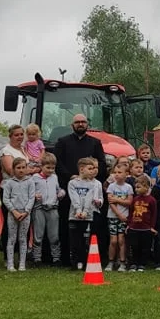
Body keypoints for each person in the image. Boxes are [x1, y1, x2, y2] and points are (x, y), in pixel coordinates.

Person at [54, 114, 108, 267]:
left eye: (83, 122)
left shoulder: (95, 143)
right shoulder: (63, 142)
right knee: (68, 228)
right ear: (72, 125)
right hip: (69, 188)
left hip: (91, 190)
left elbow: (102, 164)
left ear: (87, 124)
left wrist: (91, 177)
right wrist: (70, 176)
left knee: (92, 230)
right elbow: (57, 163)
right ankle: (67, 258)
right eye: (77, 122)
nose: (80, 124)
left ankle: (92, 257)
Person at [67, 157, 103, 269]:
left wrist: (85, 212)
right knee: (75, 240)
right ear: (82, 169)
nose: (93, 171)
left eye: (94, 168)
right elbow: (74, 198)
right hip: (74, 216)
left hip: (88, 216)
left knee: (85, 240)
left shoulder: (93, 184)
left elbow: (89, 198)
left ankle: (85, 262)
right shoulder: (72, 183)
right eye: (90, 168)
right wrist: (78, 211)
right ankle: (75, 262)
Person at [2, 157, 35, 272]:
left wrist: (26, 211)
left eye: (23, 167)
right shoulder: (9, 183)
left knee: (22, 239)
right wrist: (14, 211)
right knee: (12, 239)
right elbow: (6, 199)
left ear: (26, 168)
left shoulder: (30, 182)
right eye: (18, 168)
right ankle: (10, 264)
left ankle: (22, 264)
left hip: (25, 214)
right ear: (14, 169)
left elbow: (32, 197)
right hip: (13, 214)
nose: (21, 170)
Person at [31, 152, 64, 265]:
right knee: (38, 235)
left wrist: (61, 193)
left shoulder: (54, 177)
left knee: (54, 235)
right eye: (48, 167)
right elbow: (30, 191)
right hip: (39, 208)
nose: (50, 170)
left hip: (53, 208)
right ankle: (37, 258)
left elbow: (58, 189)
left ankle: (56, 258)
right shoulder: (35, 178)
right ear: (41, 166)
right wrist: (35, 195)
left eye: (52, 168)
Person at [105, 165, 134, 271]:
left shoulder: (128, 187)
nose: (117, 174)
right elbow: (111, 203)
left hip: (124, 218)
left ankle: (122, 262)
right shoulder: (111, 186)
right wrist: (119, 215)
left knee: (121, 240)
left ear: (126, 174)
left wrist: (117, 200)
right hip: (113, 217)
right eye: (115, 172)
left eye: (119, 172)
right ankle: (111, 261)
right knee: (113, 241)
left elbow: (129, 202)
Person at [126, 175, 157, 272]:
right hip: (134, 227)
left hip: (146, 228)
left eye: (138, 187)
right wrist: (129, 225)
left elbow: (154, 214)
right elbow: (131, 212)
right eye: (136, 187)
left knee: (145, 247)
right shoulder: (135, 199)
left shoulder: (151, 200)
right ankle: (134, 263)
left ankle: (142, 264)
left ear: (146, 187)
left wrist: (152, 227)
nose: (136, 189)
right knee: (134, 246)